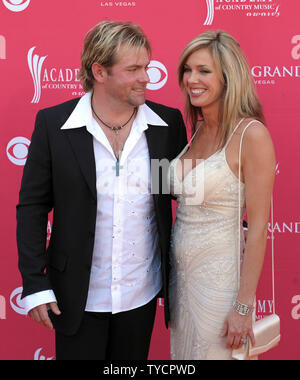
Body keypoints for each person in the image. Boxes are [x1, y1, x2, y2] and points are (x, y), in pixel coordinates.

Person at [17, 20, 187, 360]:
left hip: (141, 294)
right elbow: (33, 207)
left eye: (147, 67)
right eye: (134, 69)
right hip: (75, 297)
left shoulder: (165, 126)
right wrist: (35, 283)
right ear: (99, 71)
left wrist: (233, 222)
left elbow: (182, 193)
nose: (146, 78)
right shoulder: (54, 125)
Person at [168, 30, 276, 360]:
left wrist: (242, 307)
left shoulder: (251, 135)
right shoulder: (196, 129)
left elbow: (257, 230)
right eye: (187, 70)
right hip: (181, 288)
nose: (191, 79)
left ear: (229, 76)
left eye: (203, 70)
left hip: (222, 291)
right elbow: (170, 192)